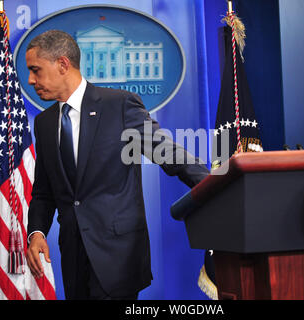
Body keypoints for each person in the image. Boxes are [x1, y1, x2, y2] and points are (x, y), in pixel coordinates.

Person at [25, 30, 209, 300]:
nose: (30, 80)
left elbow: (168, 153)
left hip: (118, 256)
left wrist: (215, 187)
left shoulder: (119, 105)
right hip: (74, 257)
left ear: (62, 64)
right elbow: (43, 191)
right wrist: (37, 232)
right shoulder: (45, 123)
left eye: (35, 70)